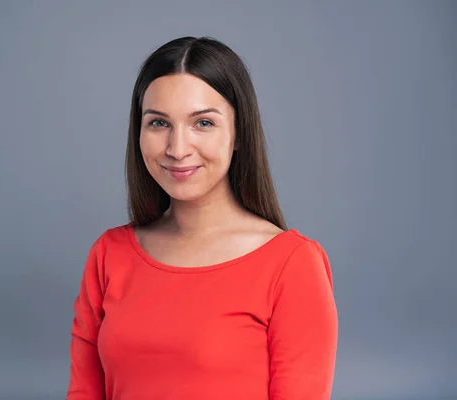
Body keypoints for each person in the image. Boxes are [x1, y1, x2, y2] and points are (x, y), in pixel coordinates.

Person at [66, 36, 338, 400]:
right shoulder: (108, 255)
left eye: (203, 123)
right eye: (159, 123)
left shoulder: (292, 264)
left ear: (239, 133)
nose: (178, 149)